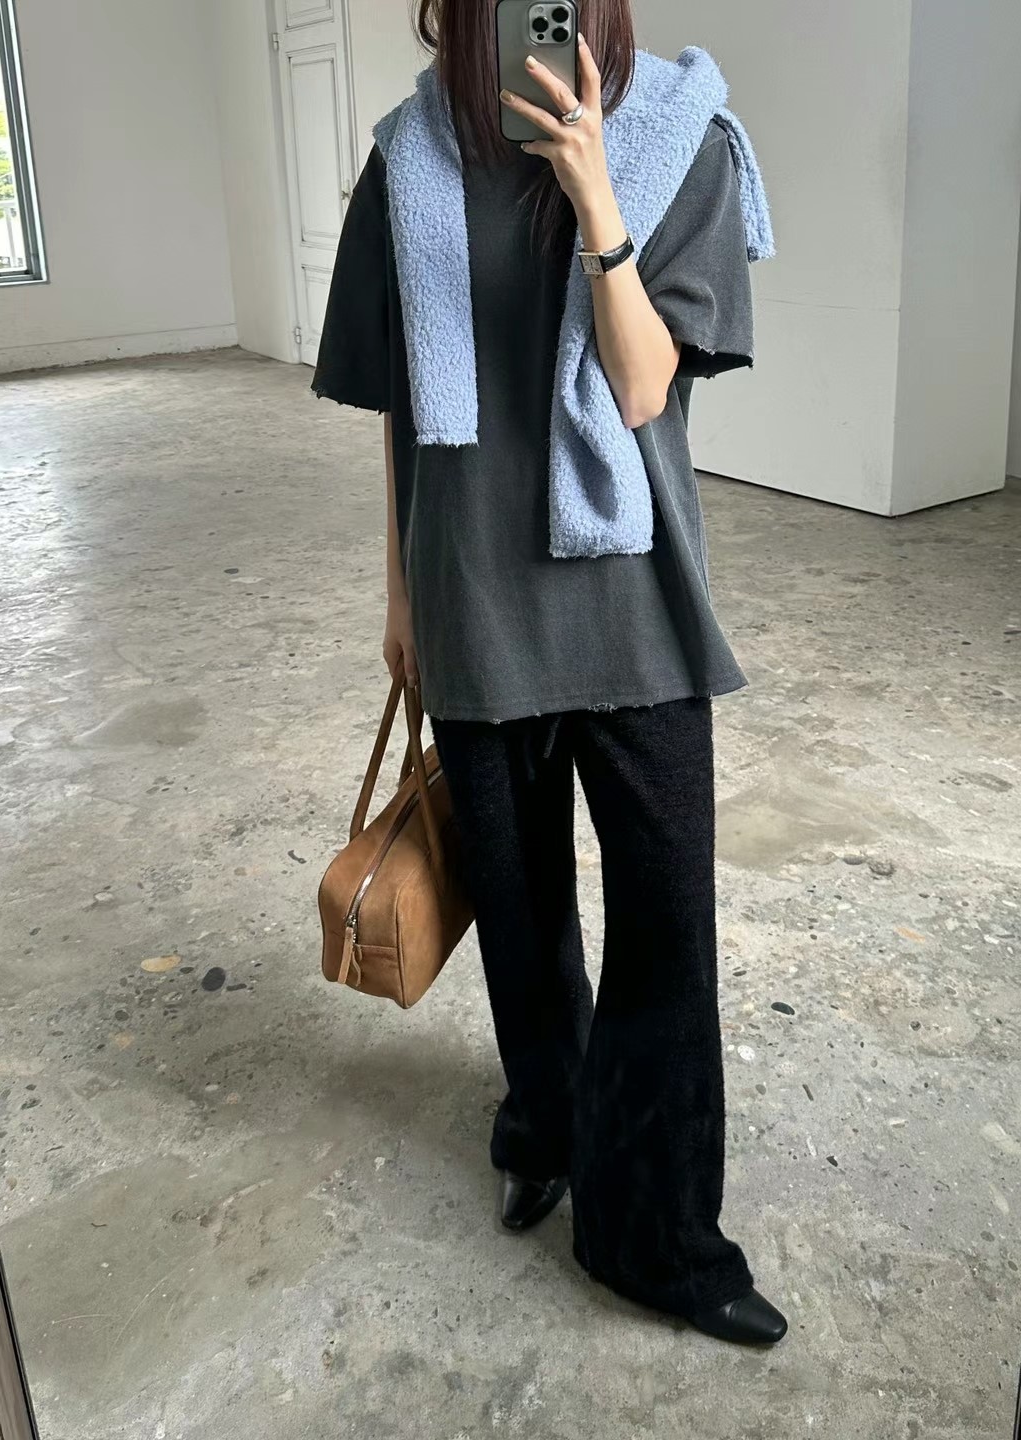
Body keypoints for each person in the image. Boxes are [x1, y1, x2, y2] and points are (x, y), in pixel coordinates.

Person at [311, 0, 787, 1346]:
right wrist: (401, 593)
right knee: (521, 925)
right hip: (472, 597)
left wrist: (593, 194)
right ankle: (547, 1123)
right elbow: (405, 407)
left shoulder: (682, 136)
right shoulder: (408, 160)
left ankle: (659, 1237)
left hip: (633, 604)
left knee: (666, 930)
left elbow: (643, 389)